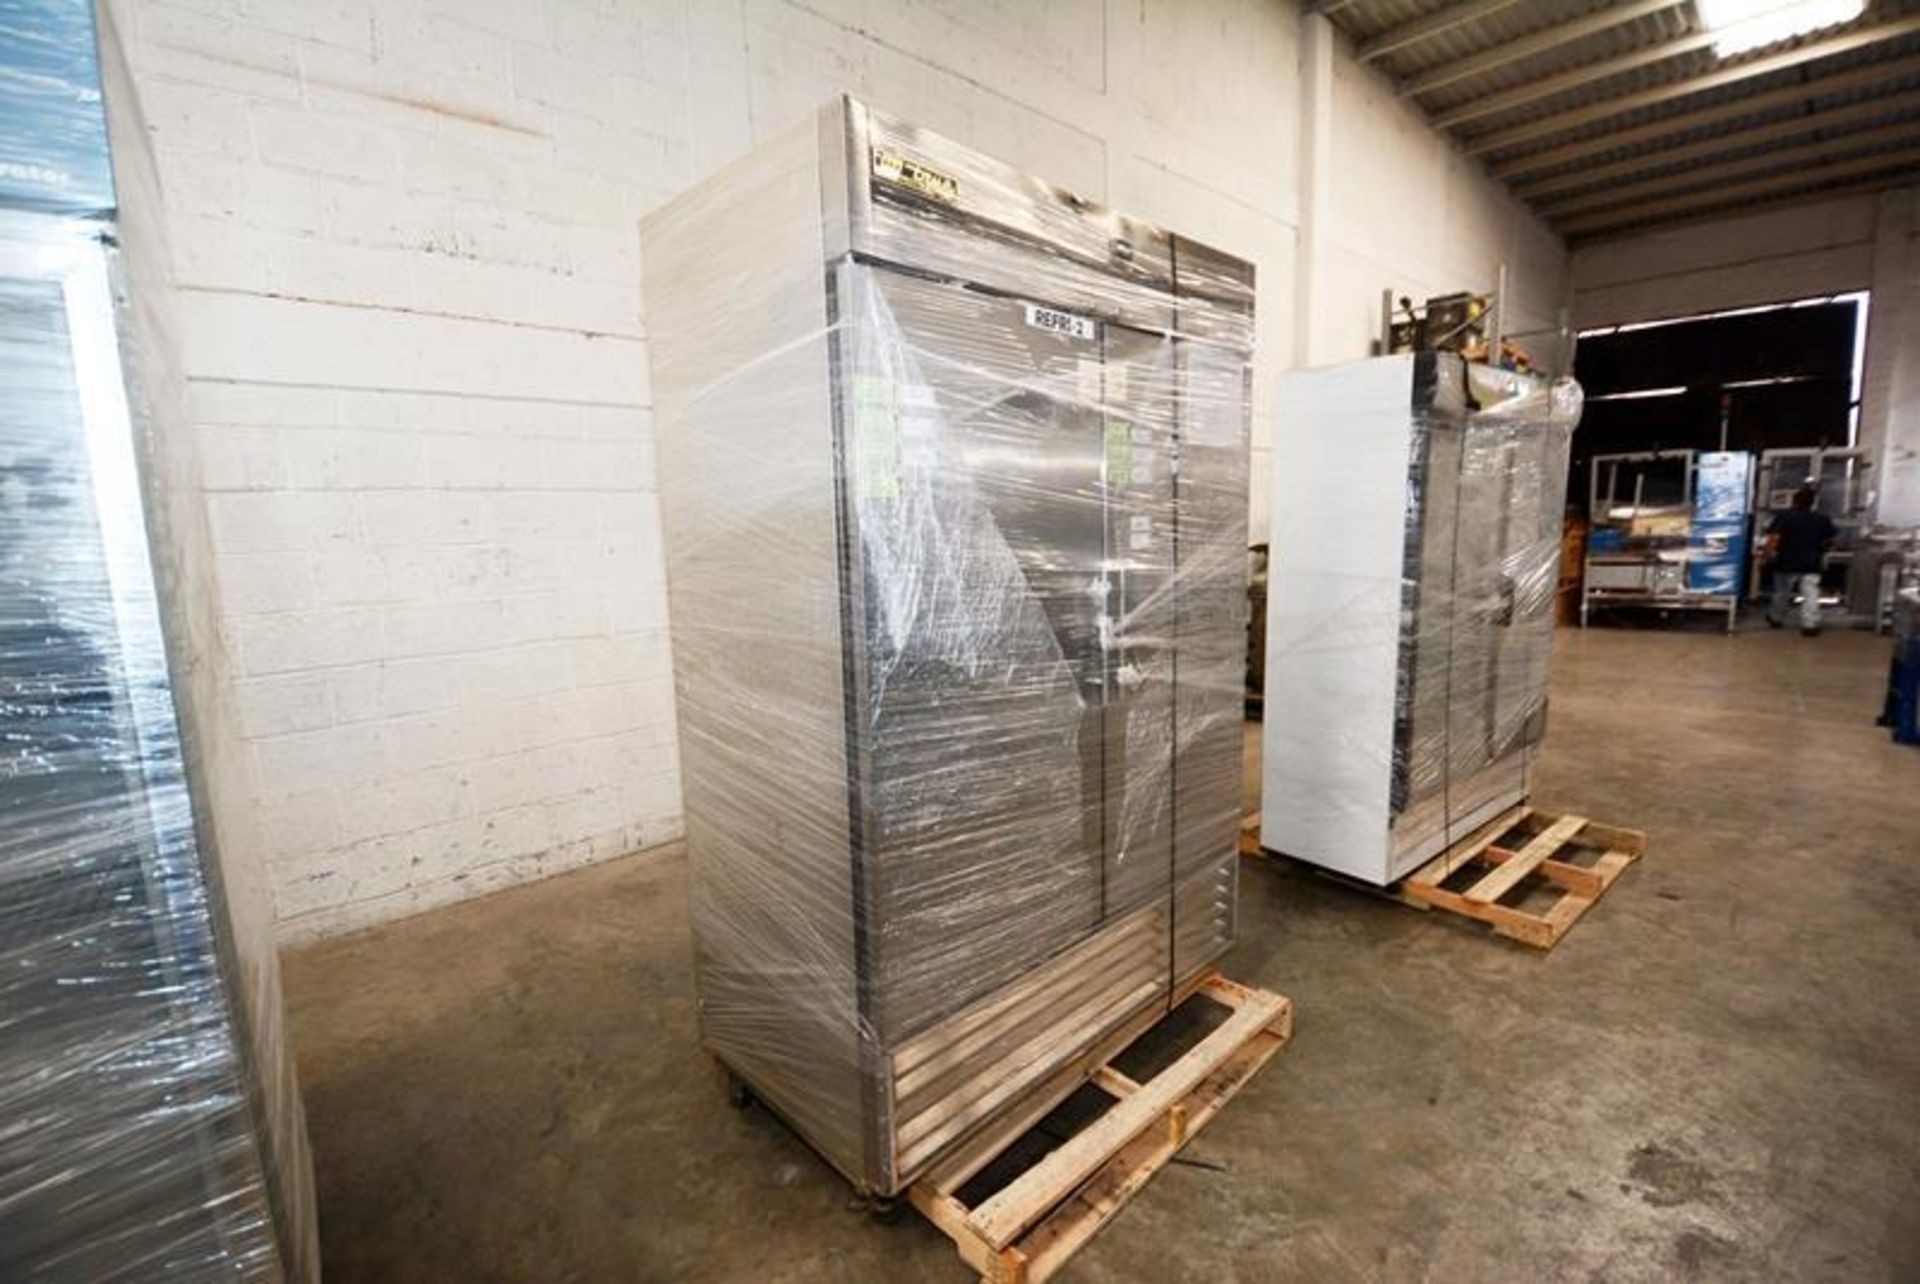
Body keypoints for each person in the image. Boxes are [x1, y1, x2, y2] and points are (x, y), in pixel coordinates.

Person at [1763, 486, 1837, 636]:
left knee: (1782, 592)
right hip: (1811, 562)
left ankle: (1776, 618)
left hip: (1786, 561)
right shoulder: (1822, 519)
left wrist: (1766, 556)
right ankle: (1810, 625)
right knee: (1810, 594)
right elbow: (1831, 541)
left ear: (1794, 501)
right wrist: (1822, 551)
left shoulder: (1784, 517)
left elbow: (1774, 539)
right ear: (1812, 503)